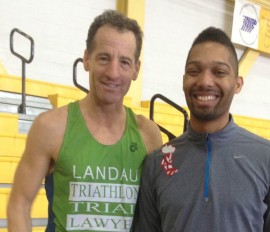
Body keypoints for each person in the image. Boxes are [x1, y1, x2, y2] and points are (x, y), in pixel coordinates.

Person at [7, 10, 163, 232]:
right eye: (103, 58)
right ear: (87, 59)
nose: (113, 72)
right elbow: (19, 203)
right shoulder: (51, 127)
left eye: (124, 62)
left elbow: (157, 211)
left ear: (136, 69)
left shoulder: (148, 133)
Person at [132, 27, 270, 232]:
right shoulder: (157, 163)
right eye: (194, 71)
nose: (205, 81)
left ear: (238, 84)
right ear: (183, 81)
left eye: (219, 72)